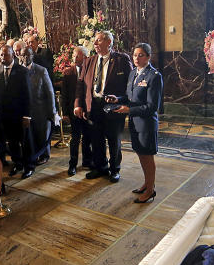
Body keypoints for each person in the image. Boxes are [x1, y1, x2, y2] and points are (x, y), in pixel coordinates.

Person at [107, 43, 163, 203]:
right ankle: (146, 183)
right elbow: (129, 97)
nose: (137, 58)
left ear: (149, 57)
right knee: (141, 154)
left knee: (147, 156)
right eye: (135, 55)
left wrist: (129, 110)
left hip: (146, 124)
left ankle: (151, 190)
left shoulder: (154, 76)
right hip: (134, 122)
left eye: (141, 55)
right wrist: (117, 99)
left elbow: (152, 107)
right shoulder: (133, 73)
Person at [74, 30, 132, 182]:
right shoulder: (89, 61)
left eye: (99, 40)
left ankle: (114, 170)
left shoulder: (121, 60)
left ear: (109, 42)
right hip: (93, 106)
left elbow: (130, 85)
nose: (95, 43)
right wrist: (78, 104)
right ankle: (101, 168)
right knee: (96, 139)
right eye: (95, 41)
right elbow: (80, 85)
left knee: (114, 140)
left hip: (113, 107)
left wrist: (121, 100)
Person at [0, 44, 33, 178]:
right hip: (5, 115)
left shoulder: (22, 71)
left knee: (25, 141)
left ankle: (29, 166)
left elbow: (27, 94)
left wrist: (27, 115)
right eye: (1, 54)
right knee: (12, 142)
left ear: (12, 55)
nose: (3, 57)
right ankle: (18, 163)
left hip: (20, 114)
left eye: (5, 54)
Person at [61, 45, 93, 176]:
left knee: (87, 137)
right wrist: (65, 113)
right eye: (73, 55)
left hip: (87, 111)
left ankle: (87, 161)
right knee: (75, 139)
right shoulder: (68, 72)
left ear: (85, 57)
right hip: (73, 111)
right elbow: (64, 95)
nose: (74, 57)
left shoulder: (91, 70)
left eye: (77, 55)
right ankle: (72, 164)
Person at [21, 46, 55, 166]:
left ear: (33, 56)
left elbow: (50, 93)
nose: (26, 58)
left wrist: (52, 113)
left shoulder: (41, 71)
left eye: (28, 55)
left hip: (41, 110)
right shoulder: (19, 71)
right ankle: (33, 155)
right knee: (31, 137)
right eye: (23, 55)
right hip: (26, 112)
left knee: (42, 135)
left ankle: (45, 155)